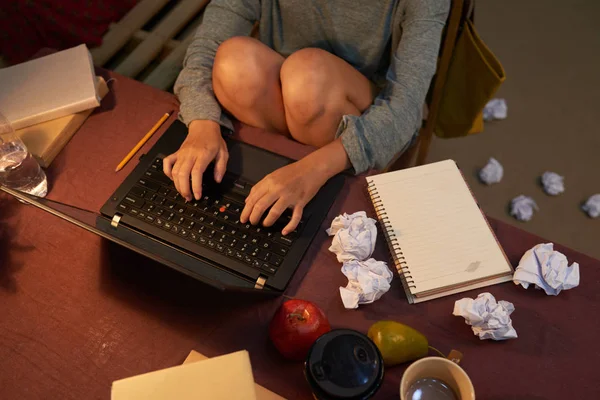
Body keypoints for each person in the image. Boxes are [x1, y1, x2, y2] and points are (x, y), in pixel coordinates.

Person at [164, 0, 449, 235]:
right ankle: (274, 173)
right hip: (281, 92)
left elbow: (407, 107)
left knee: (308, 77)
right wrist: (202, 125)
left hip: (355, 110)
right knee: (233, 62)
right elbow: (207, 47)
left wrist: (311, 170)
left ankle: (318, 195)